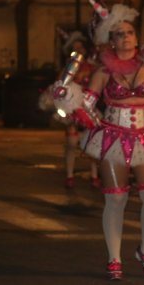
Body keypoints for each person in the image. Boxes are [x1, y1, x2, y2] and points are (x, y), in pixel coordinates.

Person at [54, 0, 144, 280]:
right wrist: (70, 100)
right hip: (114, 137)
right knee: (116, 200)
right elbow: (88, 104)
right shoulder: (103, 71)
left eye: (130, 32)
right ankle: (114, 257)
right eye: (119, 35)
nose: (127, 38)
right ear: (111, 40)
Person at [54, 28, 100, 189]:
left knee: (93, 144)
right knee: (72, 143)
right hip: (73, 109)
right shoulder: (67, 69)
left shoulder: (92, 66)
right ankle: (69, 175)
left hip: (89, 107)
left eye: (80, 47)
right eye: (75, 48)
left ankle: (95, 175)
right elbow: (59, 87)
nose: (78, 50)